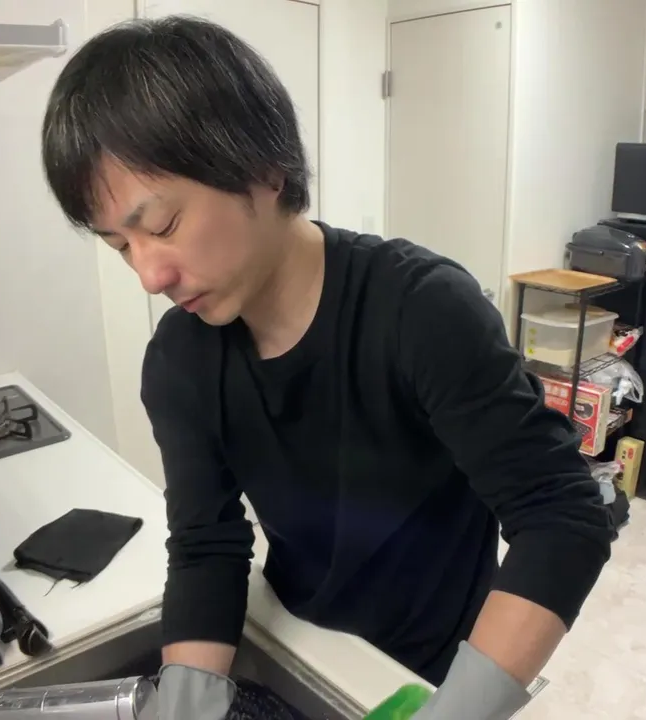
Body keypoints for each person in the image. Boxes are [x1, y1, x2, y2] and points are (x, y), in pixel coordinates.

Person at [41, 17, 613, 720]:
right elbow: (206, 543)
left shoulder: (421, 311)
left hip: (435, 671)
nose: (149, 275)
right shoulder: (179, 361)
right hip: (298, 639)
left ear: (263, 169)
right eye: (120, 246)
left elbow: (561, 517)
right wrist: (186, 703)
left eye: (161, 226)